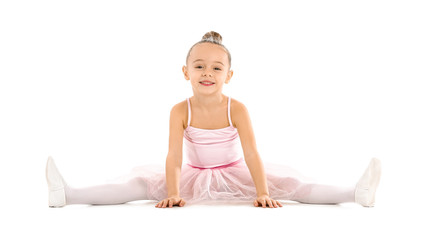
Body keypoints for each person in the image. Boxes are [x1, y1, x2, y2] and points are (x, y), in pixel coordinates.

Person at [46, 31, 382, 208]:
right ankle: (68, 195)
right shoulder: (180, 110)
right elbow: (174, 157)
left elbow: (251, 154)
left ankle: (356, 193)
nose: (208, 73)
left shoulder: (237, 108)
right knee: (138, 187)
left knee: (291, 187)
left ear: (229, 75)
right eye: (200, 66)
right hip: (192, 175)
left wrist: (262, 191)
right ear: (185, 71)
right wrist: (174, 192)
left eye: (216, 68)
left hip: (236, 172)